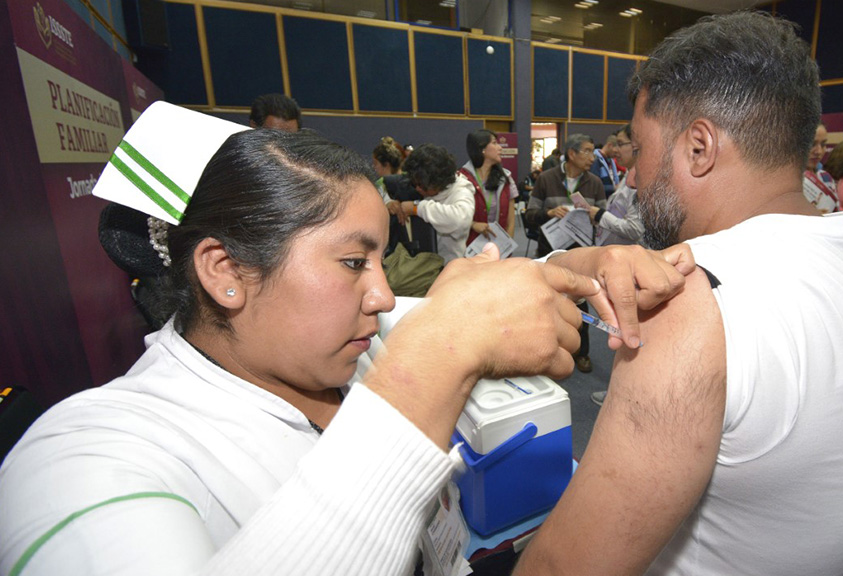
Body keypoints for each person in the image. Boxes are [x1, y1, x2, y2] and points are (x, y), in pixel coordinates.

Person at [0, 102, 688, 576]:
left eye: (380, 263)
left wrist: (586, 264)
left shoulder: (333, 337)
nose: (383, 295)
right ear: (228, 272)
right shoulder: (85, 457)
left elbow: (503, 286)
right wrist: (439, 354)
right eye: (353, 263)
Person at [516, 12, 843, 576]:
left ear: (699, 147)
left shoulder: (696, 300)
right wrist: (597, 258)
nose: (631, 179)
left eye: (642, 151)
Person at [525, 133, 607, 373]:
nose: (593, 157)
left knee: (580, 306)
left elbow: (603, 220)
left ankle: (582, 352)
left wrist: (589, 215)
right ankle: (548, 351)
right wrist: (548, 213)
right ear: (572, 154)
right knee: (546, 303)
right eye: (588, 151)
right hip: (549, 253)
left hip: (579, 256)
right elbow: (530, 214)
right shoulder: (546, 179)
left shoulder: (595, 183)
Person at [589, 123, 645, 406]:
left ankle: (622, 393)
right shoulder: (629, 176)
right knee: (623, 330)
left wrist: (599, 215)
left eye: (622, 143)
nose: (615, 148)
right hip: (618, 259)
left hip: (629, 264)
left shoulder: (641, 180)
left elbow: (636, 229)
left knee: (626, 330)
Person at [397, 144, 475, 264]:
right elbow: (385, 186)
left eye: (422, 185)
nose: (418, 189)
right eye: (414, 183)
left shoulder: (462, 192)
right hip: (421, 263)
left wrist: (416, 208)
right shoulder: (421, 184)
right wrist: (391, 203)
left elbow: (459, 220)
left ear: (439, 182)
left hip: (448, 267)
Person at [459, 129, 518, 242]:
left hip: (499, 246)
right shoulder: (462, 178)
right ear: (482, 149)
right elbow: (453, 216)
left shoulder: (505, 178)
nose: (500, 148)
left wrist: (507, 245)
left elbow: (510, 221)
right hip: (469, 246)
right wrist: (473, 224)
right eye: (494, 143)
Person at [801, 122, 839, 213]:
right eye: (812, 144)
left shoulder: (826, 177)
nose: (818, 151)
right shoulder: (782, 181)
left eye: (823, 144)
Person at [590, 133, 621, 198]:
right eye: (615, 152)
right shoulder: (595, 160)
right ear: (610, 145)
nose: (616, 155)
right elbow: (594, 186)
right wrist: (614, 188)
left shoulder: (611, 161)